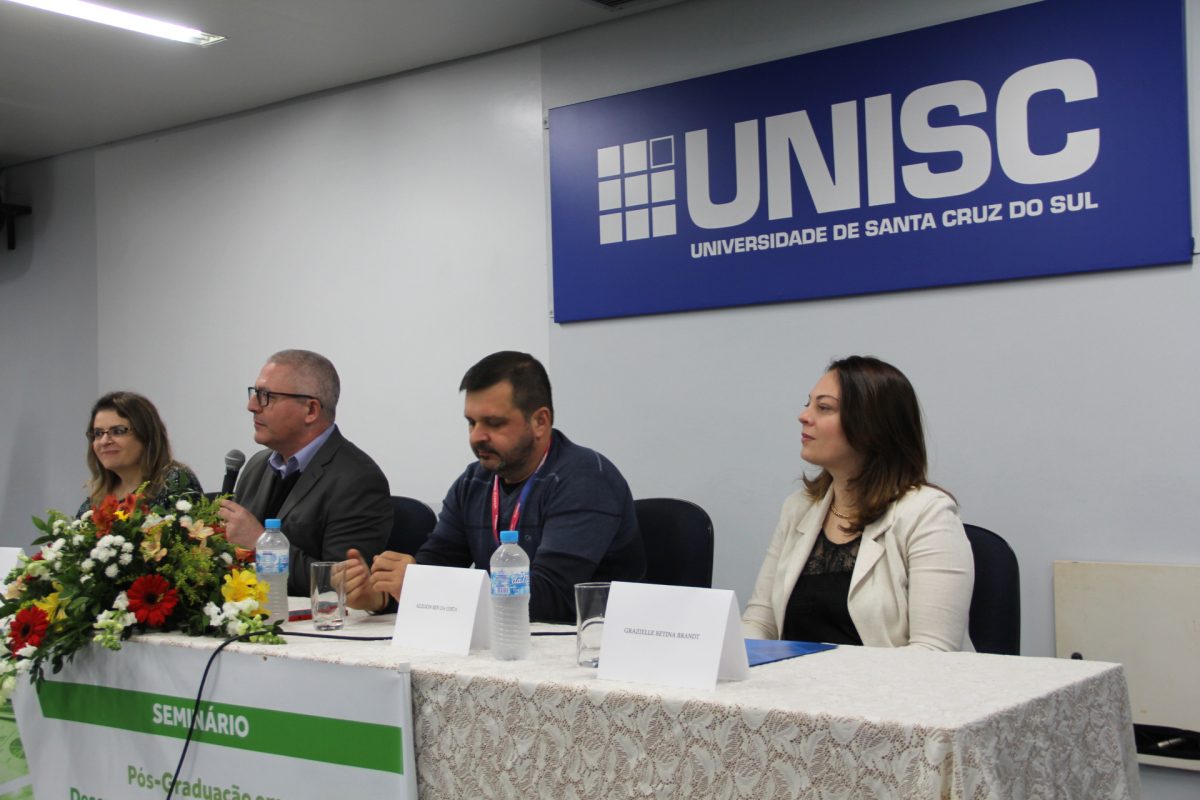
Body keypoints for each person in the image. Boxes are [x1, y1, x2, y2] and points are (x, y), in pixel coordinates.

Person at [345, 351, 644, 623]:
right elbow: (436, 565)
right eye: (471, 423)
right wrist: (383, 595)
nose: (477, 436)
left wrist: (426, 586)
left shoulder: (585, 479)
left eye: (494, 423)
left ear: (540, 421)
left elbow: (551, 598)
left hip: (586, 649)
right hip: (506, 640)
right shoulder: (474, 481)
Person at [742, 355, 974, 651]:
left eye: (823, 407)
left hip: (890, 694)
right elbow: (761, 621)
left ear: (870, 426)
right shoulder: (798, 508)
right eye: (808, 404)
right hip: (796, 692)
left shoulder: (929, 513)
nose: (804, 416)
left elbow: (933, 652)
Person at [217, 349, 391, 596]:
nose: (252, 406)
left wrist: (261, 544)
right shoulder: (256, 465)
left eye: (267, 396)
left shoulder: (358, 480)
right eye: (255, 393)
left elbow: (340, 584)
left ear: (311, 410)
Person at [78, 391, 203, 516]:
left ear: (146, 435)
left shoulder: (174, 482)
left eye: (118, 431)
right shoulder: (95, 503)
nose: (104, 441)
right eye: (98, 433)